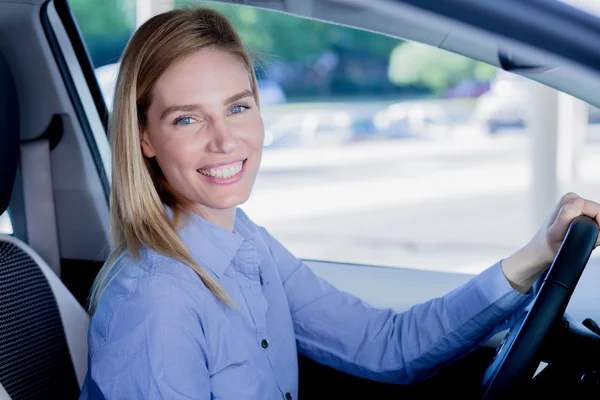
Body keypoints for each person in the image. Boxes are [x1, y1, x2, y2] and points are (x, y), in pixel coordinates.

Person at [79, 7, 600, 400]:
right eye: (187, 118)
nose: (225, 140)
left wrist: (537, 253)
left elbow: (385, 345)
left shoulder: (246, 242)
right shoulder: (154, 302)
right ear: (144, 137)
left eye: (238, 107)